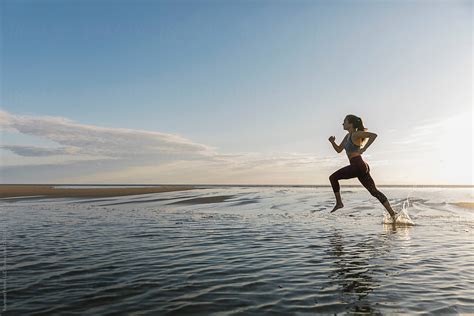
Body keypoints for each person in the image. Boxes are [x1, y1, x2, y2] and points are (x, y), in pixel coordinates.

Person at [328, 114, 397, 221]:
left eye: (345, 121)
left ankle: (339, 203)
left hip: (358, 165)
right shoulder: (347, 137)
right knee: (374, 192)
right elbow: (338, 150)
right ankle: (393, 214)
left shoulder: (356, 134)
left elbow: (373, 135)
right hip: (360, 166)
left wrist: (363, 149)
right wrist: (332, 142)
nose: (342, 123)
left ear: (350, 124)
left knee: (333, 177)